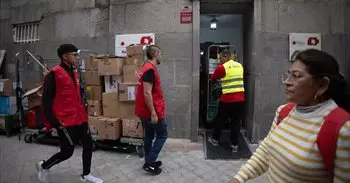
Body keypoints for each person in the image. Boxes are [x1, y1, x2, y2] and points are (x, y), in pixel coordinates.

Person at [228, 49, 350, 183]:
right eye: (288, 74)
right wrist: (239, 178)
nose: (287, 82)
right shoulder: (283, 112)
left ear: (322, 85)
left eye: (296, 76)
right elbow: (266, 151)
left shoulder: (342, 128)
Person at [36, 44, 103, 183]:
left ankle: (86, 175)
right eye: (75, 55)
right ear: (65, 56)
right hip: (64, 120)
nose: (77, 57)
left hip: (80, 116)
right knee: (67, 152)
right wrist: (54, 122)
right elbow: (46, 101)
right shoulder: (54, 74)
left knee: (88, 144)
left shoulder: (75, 71)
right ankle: (44, 166)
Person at [135, 45, 168, 175]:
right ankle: (149, 162)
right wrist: (154, 113)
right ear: (155, 53)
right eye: (160, 53)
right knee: (162, 135)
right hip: (151, 111)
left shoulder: (145, 68)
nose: (161, 56)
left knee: (149, 135)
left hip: (144, 111)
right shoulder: (149, 70)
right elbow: (147, 93)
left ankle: (148, 160)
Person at [208, 49, 245, 152]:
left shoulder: (222, 67)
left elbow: (213, 78)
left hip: (227, 100)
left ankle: (215, 140)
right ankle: (234, 145)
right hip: (240, 99)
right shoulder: (239, 66)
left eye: (220, 58)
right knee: (236, 123)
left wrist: (219, 80)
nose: (219, 60)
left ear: (226, 57)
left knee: (220, 120)